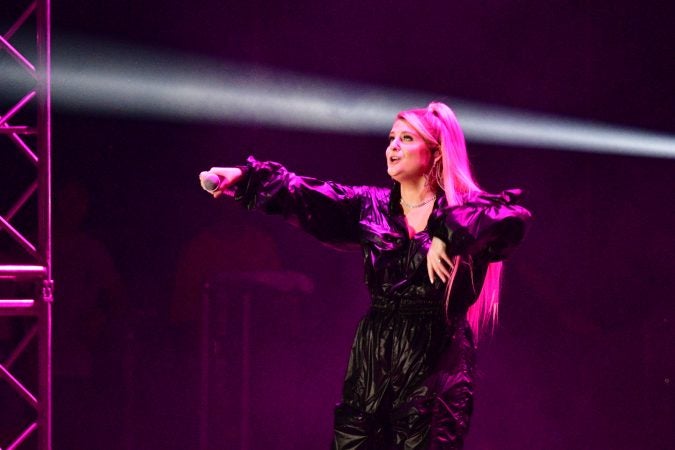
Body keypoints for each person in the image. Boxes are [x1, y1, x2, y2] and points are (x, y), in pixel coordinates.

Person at [199, 101, 531, 449]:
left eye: (406, 138)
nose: (393, 147)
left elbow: (514, 216)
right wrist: (246, 177)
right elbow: (304, 194)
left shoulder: (465, 209)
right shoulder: (369, 206)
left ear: (434, 154)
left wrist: (449, 233)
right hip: (371, 364)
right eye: (391, 138)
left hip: (434, 368)